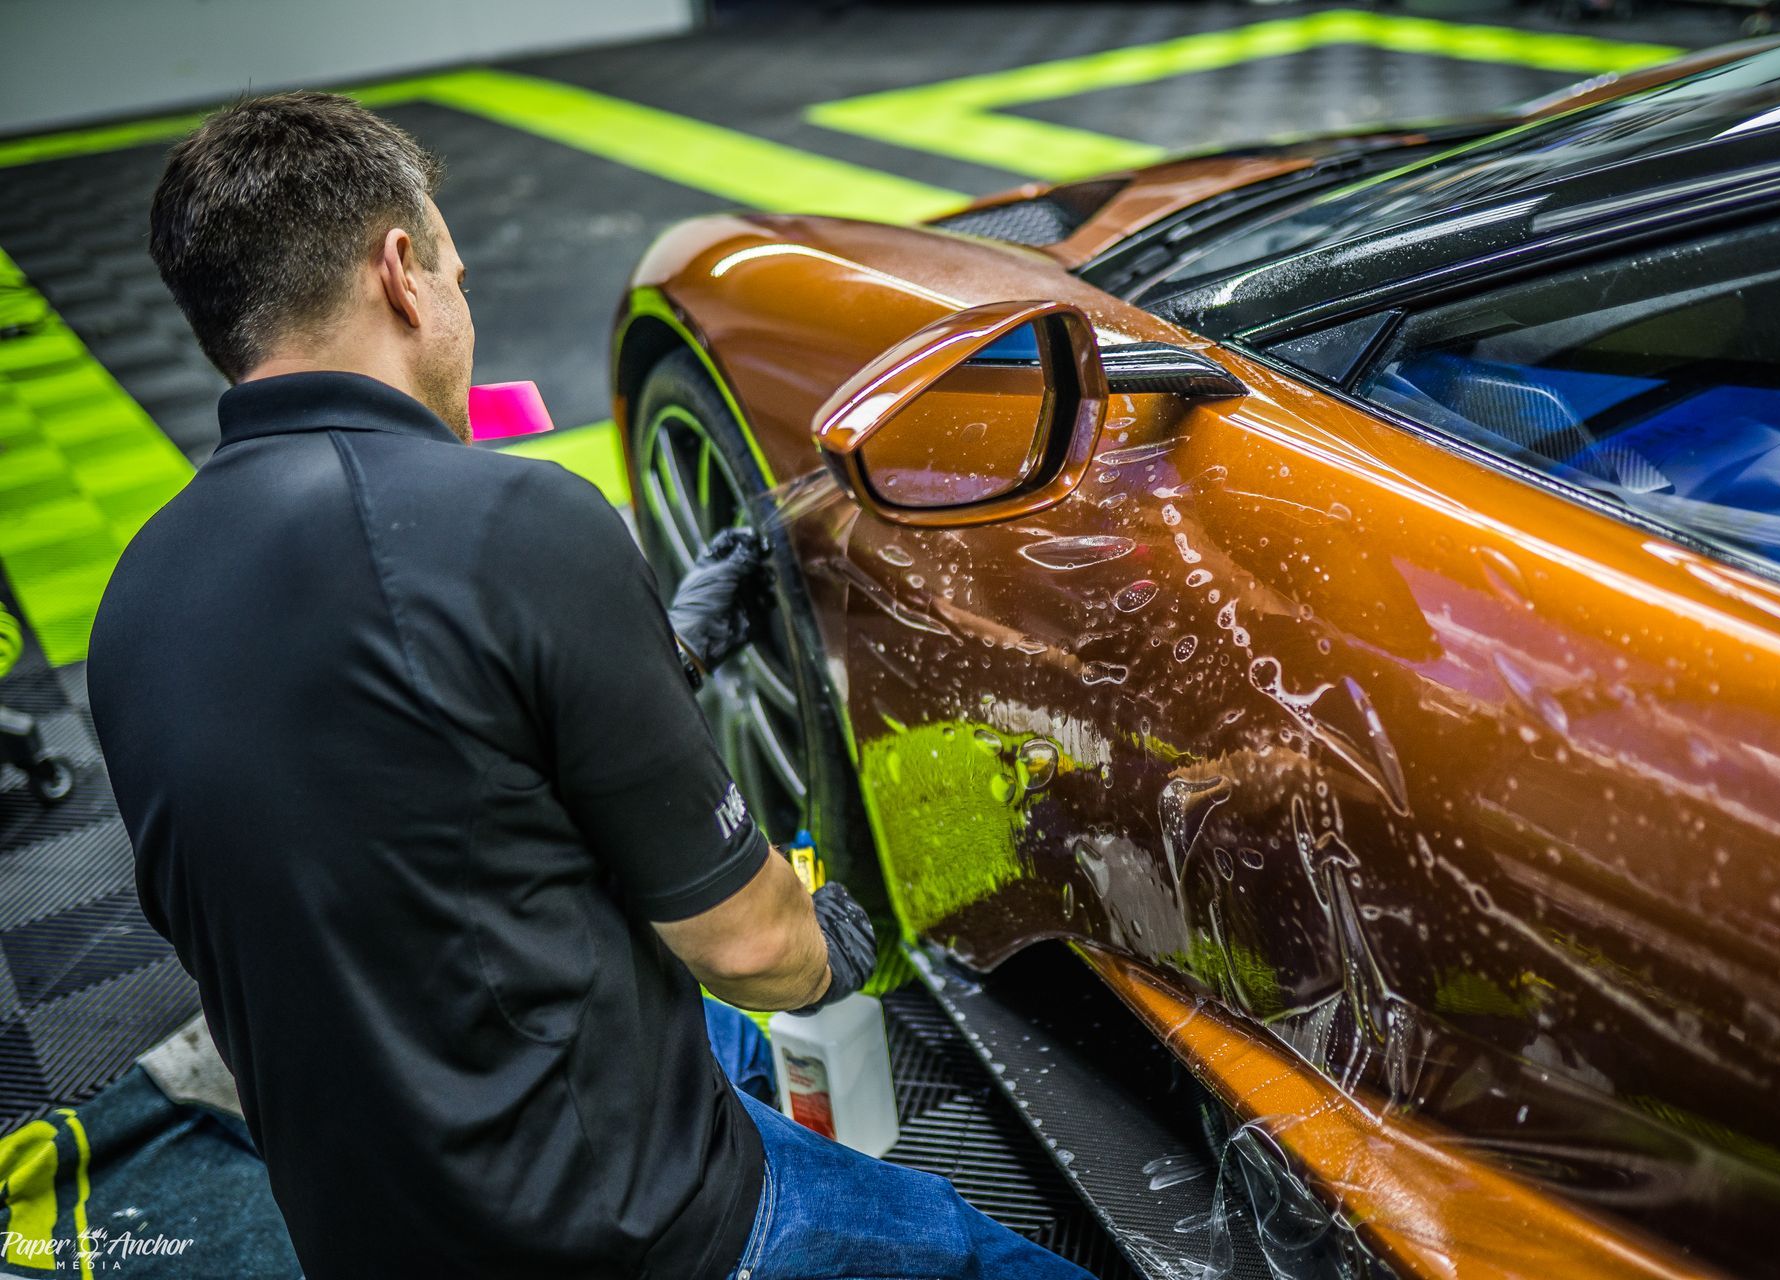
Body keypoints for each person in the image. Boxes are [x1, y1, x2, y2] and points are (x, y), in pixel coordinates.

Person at [87, 91, 1096, 1280]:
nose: (462, 307)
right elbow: (751, 947)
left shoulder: (137, 596)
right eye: (459, 276)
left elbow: (399, 769)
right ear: (403, 273)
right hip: (630, 1233)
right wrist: (843, 932)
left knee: (723, 1037)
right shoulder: (515, 520)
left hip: (367, 1225)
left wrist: (661, 657)